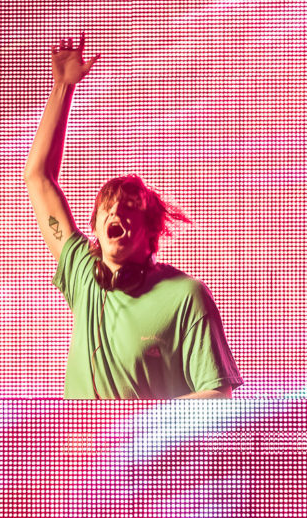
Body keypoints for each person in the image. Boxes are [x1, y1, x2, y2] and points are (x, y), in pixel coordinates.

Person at [23, 33, 242, 399]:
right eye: (107, 207)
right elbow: (38, 177)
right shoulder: (82, 271)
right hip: (78, 439)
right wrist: (63, 87)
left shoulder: (186, 296)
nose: (115, 212)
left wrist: (137, 421)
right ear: (95, 226)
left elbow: (217, 395)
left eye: (128, 208)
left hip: (147, 440)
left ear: (150, 229)